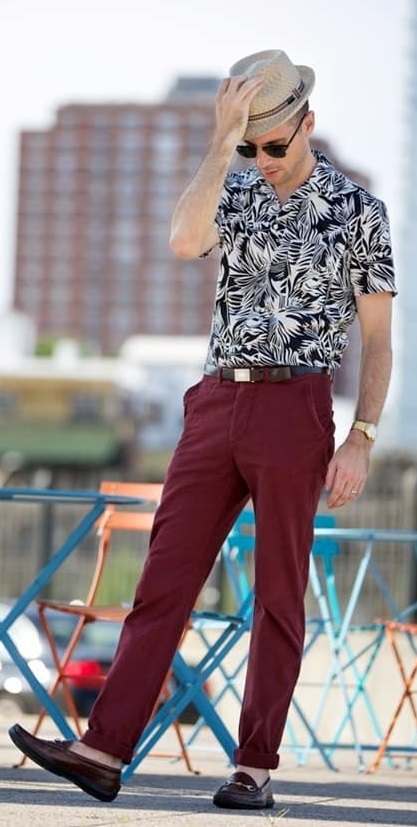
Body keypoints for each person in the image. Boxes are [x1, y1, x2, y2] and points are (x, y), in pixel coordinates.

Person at [9, 49, 396, 810]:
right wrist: (221, 148)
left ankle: (255, 767)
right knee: (164, 577)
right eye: (250, 145)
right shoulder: (231, 190)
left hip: (298, 407)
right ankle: (102, 749)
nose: (263, 159)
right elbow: (183, 241)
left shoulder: (360, 213)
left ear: (307, 123)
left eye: (273, 144)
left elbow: (378, 340)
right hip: (216, 401)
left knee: (278, 594)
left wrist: (362, 435)